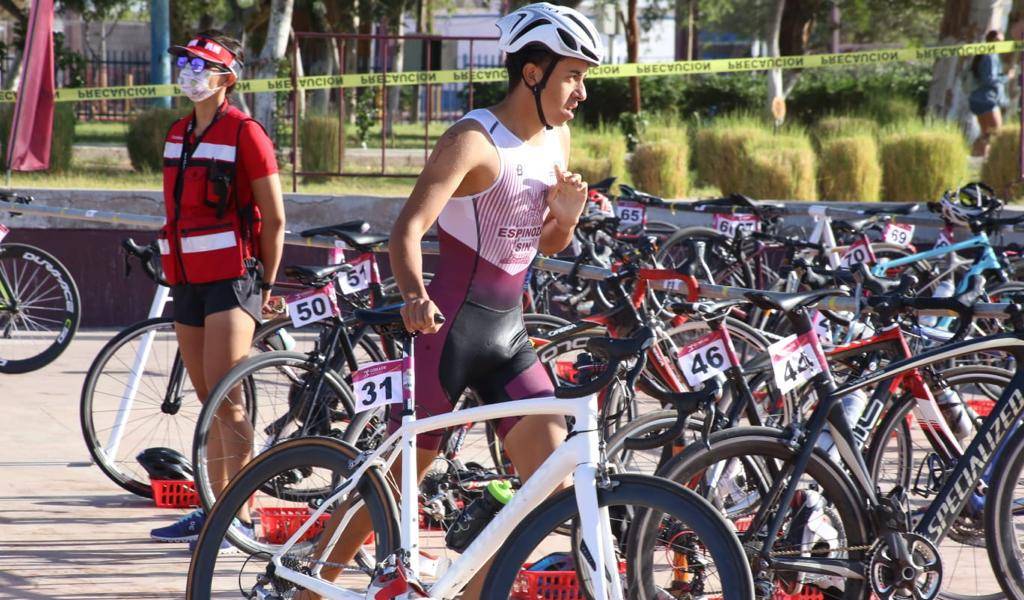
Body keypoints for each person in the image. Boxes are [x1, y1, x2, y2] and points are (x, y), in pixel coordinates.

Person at [293, 3, 601, 599]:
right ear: (532, 73)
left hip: (508, 335)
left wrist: (564, 221)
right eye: (572, 75)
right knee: (393, 487)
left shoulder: (557, 139)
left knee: (551, 486)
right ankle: (307, 589)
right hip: (446, 335)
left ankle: (468, 592)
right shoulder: (472, 140)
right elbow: (406, 231)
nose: (582, 92)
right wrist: (413, 295)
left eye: (583, 77)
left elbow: (544, 243)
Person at [148, 30, 285, 551]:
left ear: (228, 77)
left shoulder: (246, 133)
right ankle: (212, 507)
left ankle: (238, 517)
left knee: (228, 401)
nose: (189, 72)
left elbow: (275, 218)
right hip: (188, 278)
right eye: (185, 62)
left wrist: (265, 283)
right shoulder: (177, 132)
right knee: (207, 401)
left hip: (233, 278)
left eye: (201, 65)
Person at [969, 30, 1009, 157]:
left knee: (986, 133)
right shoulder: (990, 56)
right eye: (998, 41)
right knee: (996, 132)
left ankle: (977, 157)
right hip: (987, 99)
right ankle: (983, 158)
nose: (1001, 44)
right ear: (991, 40)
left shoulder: (984, 54)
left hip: (978, 98)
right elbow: (988, 79)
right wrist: (1007, 77)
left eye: (1002, 42)